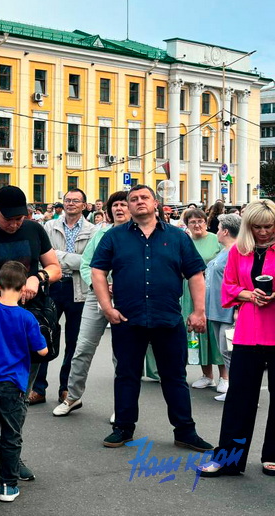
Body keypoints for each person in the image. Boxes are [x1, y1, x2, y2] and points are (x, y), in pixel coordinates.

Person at [90, 184, 213, 452]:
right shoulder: (115, 237)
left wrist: (198, 311)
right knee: (126, 375)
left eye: (144, 197)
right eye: (133, 199)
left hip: (168, 318)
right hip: (127, 319)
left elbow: (195, 274)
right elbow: (97, 271)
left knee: (175, 377)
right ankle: (123, 428)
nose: (138, 202)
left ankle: (185, 431)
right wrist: (106, 307)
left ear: (155, 203)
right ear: (129, 206)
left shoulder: (178, 238)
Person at [0, 185, 61, 481]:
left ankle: (12, 456)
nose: (16, 223)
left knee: (20, 394)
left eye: (21, 218)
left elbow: (55, 267)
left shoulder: (35, 230)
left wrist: (38, 276)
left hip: (34, 321)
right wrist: (9, 313)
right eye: (10, 219)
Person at [199, 200, 275, 478]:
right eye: (257, 227)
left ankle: (273, 455)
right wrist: (250, 294)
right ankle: (228, 459)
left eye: (268, 226)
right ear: (248, 227)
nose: (264, 232)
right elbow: (228, 287)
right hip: (248, 331)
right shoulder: (238, 252)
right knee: (239, 399)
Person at [0, 261, 48, 506]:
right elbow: (42, 350)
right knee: (11, 436)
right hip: (14, 383)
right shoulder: (26, 317)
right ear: (24, 286)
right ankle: (8, 484)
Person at [53, 191, 129, 418]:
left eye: (124, 205)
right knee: (82, 348)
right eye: (115, 205)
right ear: (109, 210)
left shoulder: (138, 234)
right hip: (97, 295)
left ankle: (121, 407)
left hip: (126, 298)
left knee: (121, 354)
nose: (119, 209)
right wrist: (100, 284)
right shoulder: (102, 233)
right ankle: (72, 397)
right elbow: (87, 264)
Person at [34, 189, 95, 405]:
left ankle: (65, 389)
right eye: (67, 200)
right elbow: (42, 258)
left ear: (84, 205)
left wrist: (58, 258)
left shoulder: (93, 231)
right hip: (51, 286)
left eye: (76, 201)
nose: (70, 204)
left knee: (74, 341)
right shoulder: (49, 227)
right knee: (44, 335)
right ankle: (38, 388)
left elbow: (90, 262)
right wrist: (74, 260)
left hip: (79, 289)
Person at [180, 208, 226, 392]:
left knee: (215, 333)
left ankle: (225, 376)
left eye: (200, 221)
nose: (197, 225)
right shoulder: (185, 241)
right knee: (196, 333)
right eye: (192, 222)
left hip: (213, 292)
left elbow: (227, 262)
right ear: (187, 225)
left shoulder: (216, 239)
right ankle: (207, 375)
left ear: (206, 222)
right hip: (190, 293)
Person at [206, 213, 240, 403]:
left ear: (225, 231)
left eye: (218, 228)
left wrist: (235, 309)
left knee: (230, 352)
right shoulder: (224, 250)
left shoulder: (234, 251)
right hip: (217, 310)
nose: (217, 231)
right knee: (225, 351)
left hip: (227, 311)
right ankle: (237, 390)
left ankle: (240, 391)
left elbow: (239, 281)